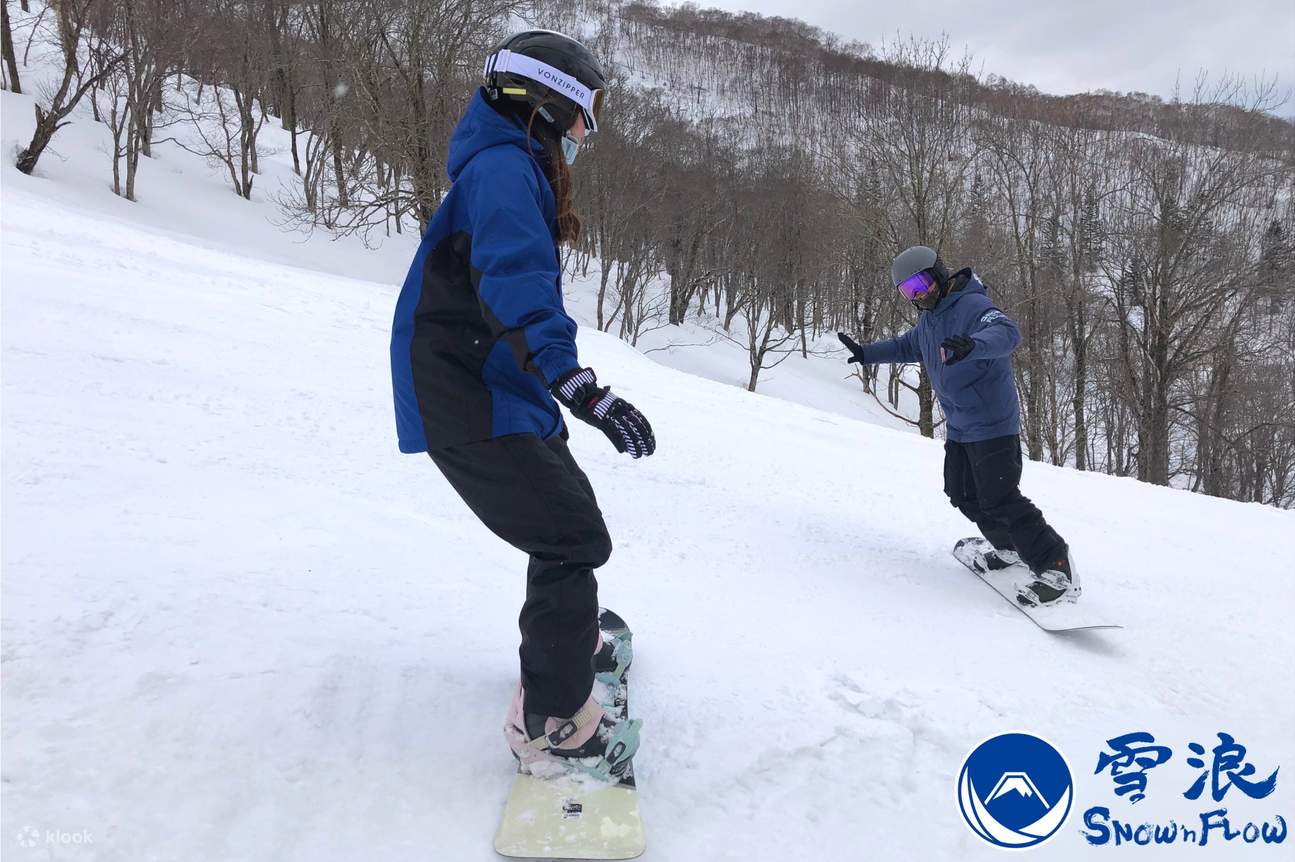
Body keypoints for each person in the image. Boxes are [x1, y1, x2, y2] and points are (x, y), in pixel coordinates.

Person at [389, 30, 653, 779]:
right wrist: (575, 382)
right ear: (543, 105)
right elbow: (516, 282)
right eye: (582, 115)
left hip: (490, 379)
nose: (585, 133)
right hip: (466, 389)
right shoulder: (505, 171)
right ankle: (552, 723)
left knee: (565, 514)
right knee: (569, 535)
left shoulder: (507, 163)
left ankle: (565, 649)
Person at [837, 246, 1078, 606]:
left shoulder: (972, 305)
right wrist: (868, 353)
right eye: (907, 291)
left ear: (938, 273)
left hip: (993, 423)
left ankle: (1055, 565)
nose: (916, 296)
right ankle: (1008, 548)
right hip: (962, 426)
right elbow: (908, 347)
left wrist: (974, 345)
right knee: (961, 493)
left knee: (1000, 498)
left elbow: (1006, 333)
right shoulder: (930, 320)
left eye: (919, 284)